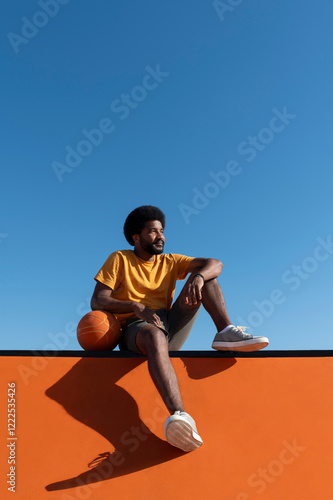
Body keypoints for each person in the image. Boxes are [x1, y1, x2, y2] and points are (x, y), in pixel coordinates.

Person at [91, 205, 269, 453]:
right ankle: (180, 416)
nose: (160, 236)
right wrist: (135, 306)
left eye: (162, 231)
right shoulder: (120, 258)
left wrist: (197, 277)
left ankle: (225, 331)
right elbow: (98, 300)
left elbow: (215, 263)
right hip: (136, 328)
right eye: (153, 231)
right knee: (153, 334)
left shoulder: (170, 261)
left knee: (206, 275)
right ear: (136, 237)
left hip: (169, 324)